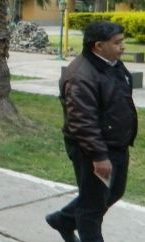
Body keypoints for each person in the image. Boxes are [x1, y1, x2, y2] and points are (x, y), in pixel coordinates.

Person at [46, 21, 138, 242]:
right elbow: (81, 121)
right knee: (92, 209)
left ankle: (63, 219)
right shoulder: (80, 76)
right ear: (98, 46)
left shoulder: (112, 63)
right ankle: (69, 222)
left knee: (114, 192)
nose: (122, 47)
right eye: (117, 43)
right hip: (92, 150)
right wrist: (98, 156)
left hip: (116, 144)